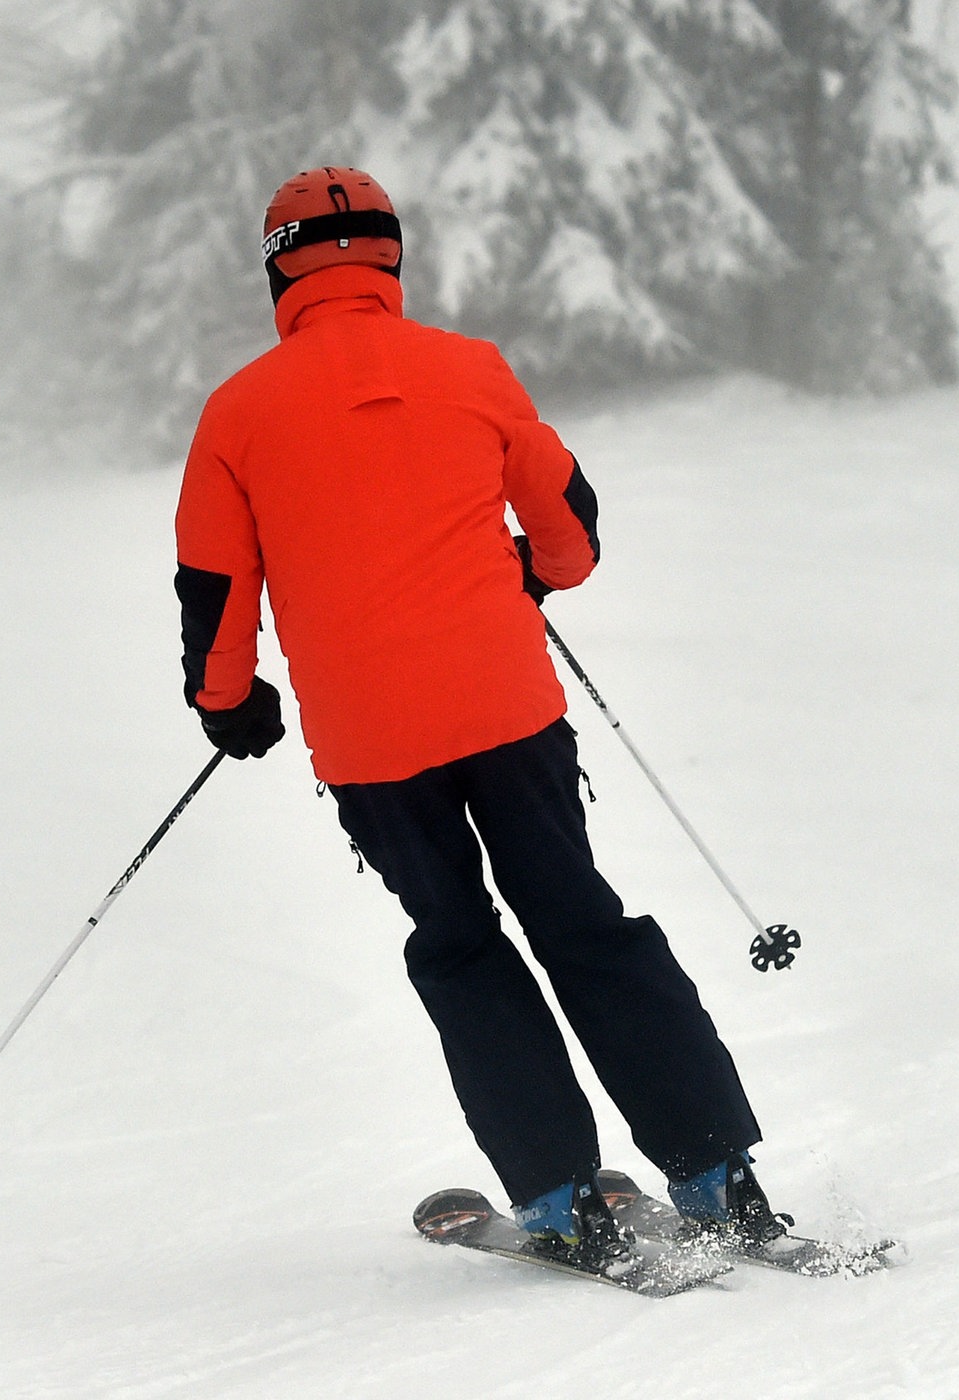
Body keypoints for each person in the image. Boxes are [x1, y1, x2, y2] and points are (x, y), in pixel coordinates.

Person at [174, 166, 787, 1271]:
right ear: (389, 257)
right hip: (508, 708)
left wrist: (229, 703)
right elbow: (570, 532)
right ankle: (713, 1171)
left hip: (373, 745)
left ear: (278, 269)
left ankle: (557, 1196)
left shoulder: (238, 412)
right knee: (584, 924)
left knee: (460, 945)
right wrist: (528, 573)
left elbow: (215, 589)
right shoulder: (467, 367)